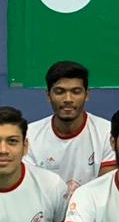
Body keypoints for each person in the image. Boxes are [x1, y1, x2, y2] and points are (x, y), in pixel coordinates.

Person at [26, 60, 113, 197]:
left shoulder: (107, 133)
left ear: (87, 94)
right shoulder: (29, 135)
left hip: (91, 210)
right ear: (48, 95)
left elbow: (105, 192)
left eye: (76, 92)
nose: (68, 99)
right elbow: (30, 191)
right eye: (60, 92)